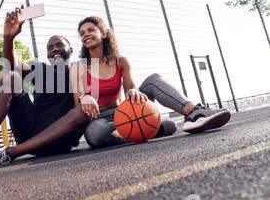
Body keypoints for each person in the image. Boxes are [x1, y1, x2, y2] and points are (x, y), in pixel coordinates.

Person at [0, 7, 90, 171]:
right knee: (9, 77)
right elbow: (12, 68)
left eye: (59, 44)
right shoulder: (40, 69)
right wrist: (8, 37)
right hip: (30, 132)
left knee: (82, 110)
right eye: (50, 47)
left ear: (71, 49)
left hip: (59, 140)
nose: (54, 48)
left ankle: (10, 153)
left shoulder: (79, 69)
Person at [70, 16, 232, 149]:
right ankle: (149, 128)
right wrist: (84, 97)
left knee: (153, 80)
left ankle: (195, 113)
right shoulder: (78, 66)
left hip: (123, 110)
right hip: (101, 119)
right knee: (95, 135)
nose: (86, 34)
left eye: (91, 30)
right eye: (82, 33)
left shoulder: (121, 62)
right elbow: (78, 103)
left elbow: (131, 87)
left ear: (104, 33)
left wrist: (133, 91)